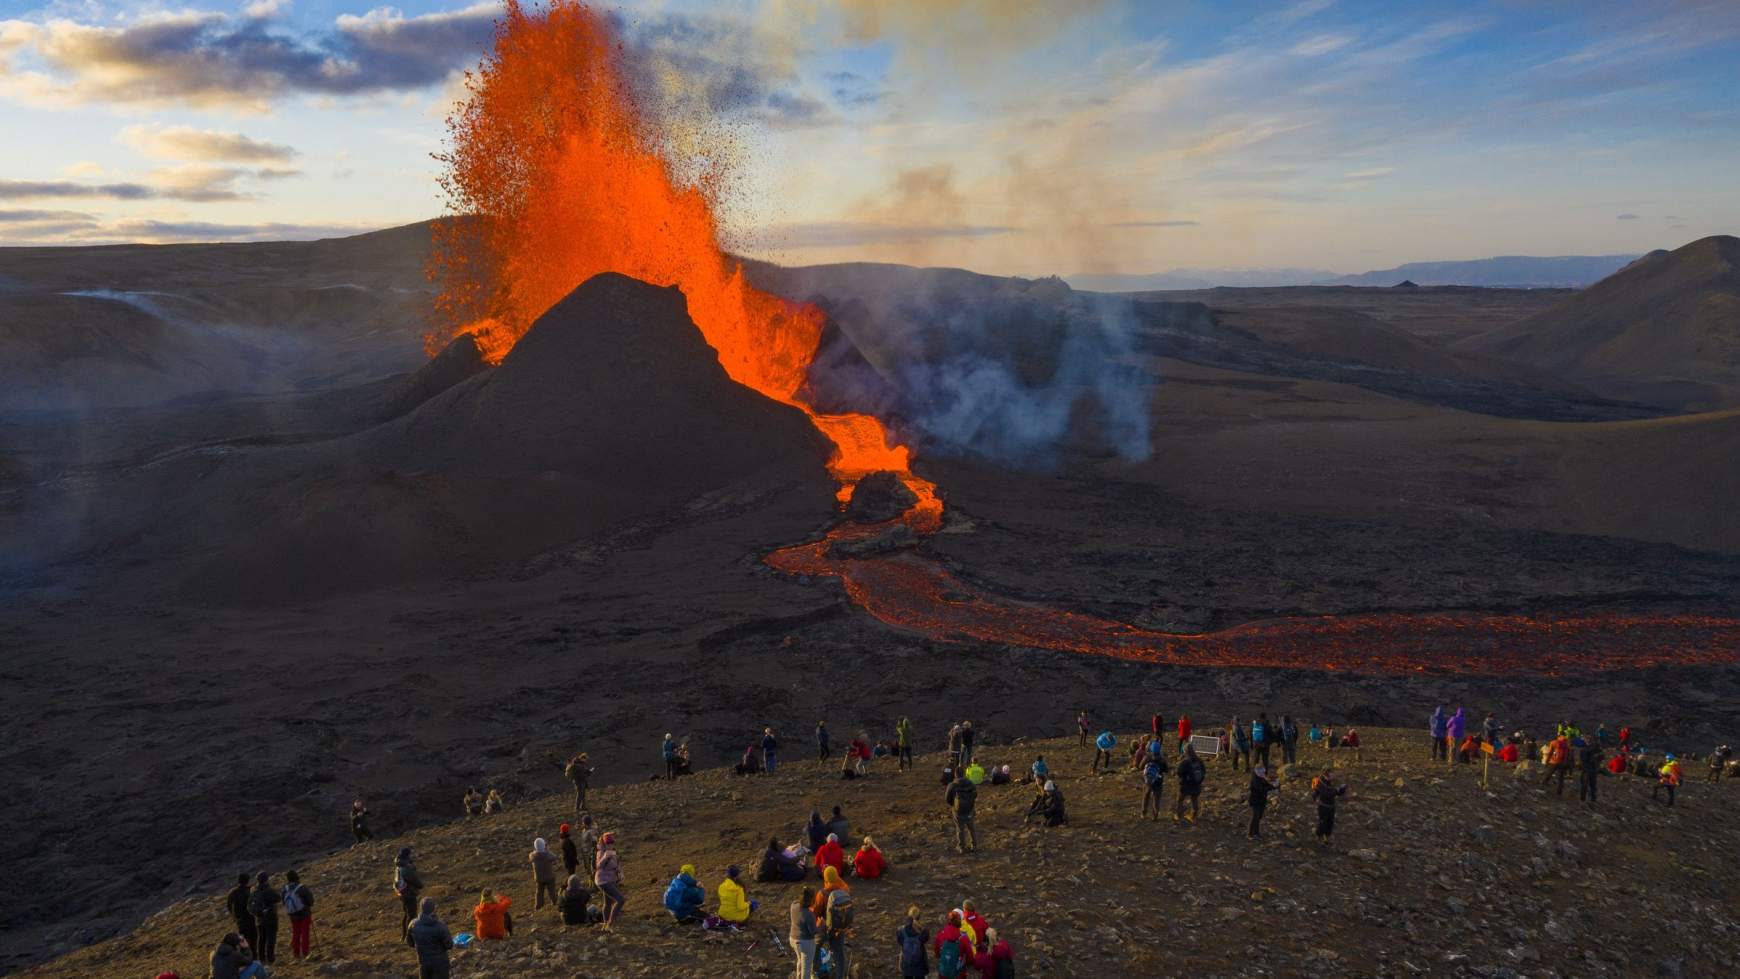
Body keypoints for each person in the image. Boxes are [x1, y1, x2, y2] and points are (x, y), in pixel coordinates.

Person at [404, 897, 453, 979]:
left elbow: (409, 942)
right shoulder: (440, 926)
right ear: (433, 909)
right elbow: (449, 945)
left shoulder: (413, 924)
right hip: (440, 963)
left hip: (423, 962)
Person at [595, 832, 625, 929]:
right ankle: (610, 923)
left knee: (607, 903)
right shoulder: (601, 852)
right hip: (603, 881)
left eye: (612, 842)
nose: (610, 844)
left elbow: (616, 865)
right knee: (621, 900)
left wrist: (620, 872)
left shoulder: (613, 852)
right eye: (608, 843)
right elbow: (598, 866)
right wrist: (605, 857)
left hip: (611, 880)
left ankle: (605, 923)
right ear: (604, 843)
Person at [281, 871, 314, 960]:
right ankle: (305, 952)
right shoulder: (302, 888)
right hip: (304, 914)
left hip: (293, 915)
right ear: (297, 877)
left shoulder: (285, 889)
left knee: (296, 934)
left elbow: (284, 902)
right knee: (305, 933)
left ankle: (296, 953)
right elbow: (310, 901)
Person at [946, 767, 979, 853]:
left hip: (958, 810)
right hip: (969, 809)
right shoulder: (970, 783)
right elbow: (975, 794)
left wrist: (953, 805)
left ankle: (961, 847)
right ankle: (974, 846)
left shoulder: (952, 785)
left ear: (955, 774)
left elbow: (947, 799)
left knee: (960, 828)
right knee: (971, 827)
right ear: (964, 774)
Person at [248, 872, 279, 965]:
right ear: (266, 879)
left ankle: (261, 958)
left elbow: (249, 906)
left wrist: (258, 913)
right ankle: (270, 958)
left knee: (261, 939)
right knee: (271, 938)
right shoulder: (268, 890)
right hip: (270, 918)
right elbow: (278, 898)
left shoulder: (253, 891)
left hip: (259, 919)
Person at [935, 910, 976, 979]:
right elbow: (970, 957)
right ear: (959, 921)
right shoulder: (963, 938)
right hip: (959, 974)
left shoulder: (940, 935)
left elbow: (937, 953)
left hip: (944, 973)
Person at [1311, 769, 1348, 845]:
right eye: (1331, 775)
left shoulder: (1330, 782)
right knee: (1323, 823)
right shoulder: (1321, 783)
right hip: (1323, 806)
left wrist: (1342, 790)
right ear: (1326, 775)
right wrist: (1337, 790)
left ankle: (1326, 838)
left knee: (1330, 823)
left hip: (1331, 806)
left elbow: (1335, 792)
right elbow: (1327, 794)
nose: (1333, 777)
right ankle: (1319, 837)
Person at [393, 847, 424, 935]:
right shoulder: (405, 868)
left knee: (407, 914)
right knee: (412, 915)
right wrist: (420, 885)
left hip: (402, 894)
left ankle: (404, 934)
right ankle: (409, 936)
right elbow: (415, 881)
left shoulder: (398, 866)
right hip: (409, 894)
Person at [790, 887, 819, 979]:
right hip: (805, 942)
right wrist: (820, 925)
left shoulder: (793, 905)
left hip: (793, 939)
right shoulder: (809, 914)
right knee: (806, 969)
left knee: (800, 961)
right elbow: (813, 932)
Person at [896, 905, 930, 979]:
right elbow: (926, 939)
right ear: (919, 917)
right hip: (920, 964)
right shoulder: (924, 931)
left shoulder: (900, 931)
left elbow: (899, 941)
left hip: (906, 963)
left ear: (909, 916)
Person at [1175, 743, 1206, 824]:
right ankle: (1193, 816)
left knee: (1180, 800)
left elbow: (1179, 772)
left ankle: (1178, 816)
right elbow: (1204, 771)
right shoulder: (1199, 760)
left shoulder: (1185, 761)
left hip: (1185, 785)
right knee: (1194, 800)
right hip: (1196, 784)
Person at [226, 874, 257, 951]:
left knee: (242, 938)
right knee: (253, 937)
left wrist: (233, 916)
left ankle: (244, 955)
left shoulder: (233, 892)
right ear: (247, 881)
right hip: (250, 917)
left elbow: (229, 905)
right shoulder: (250, 890)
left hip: (240, 919)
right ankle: (254, 955)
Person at [530, 838, 561, 912]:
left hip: (539, 878)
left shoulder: (532, 856)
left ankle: (538, 907)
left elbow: (531, 854)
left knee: (539, 893)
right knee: (552, 891)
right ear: (544, 845)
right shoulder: (547, 855)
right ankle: (555, 903)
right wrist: (547, 850)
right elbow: (554, 857)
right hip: (549, 877)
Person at [1248, 765, 1279, 838]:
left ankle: (1256, 833)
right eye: (1262, 772)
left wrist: (1273, 786)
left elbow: (1266, 785)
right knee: (1255, 817)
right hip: (1255, 801)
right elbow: (1260, 789)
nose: (1263, 774)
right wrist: (1271, 787)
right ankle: (1251, 833)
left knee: (1259, 817)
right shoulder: (1255, 780)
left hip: (1261, 801)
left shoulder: (1261, 778)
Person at [1142, 744, 1170, 820]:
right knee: (1156, 798)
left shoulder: (1147, 757)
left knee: (1146, 795)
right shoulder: (1162, 759)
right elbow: (1167, 770)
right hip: (1158, 781)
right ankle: (1155, 815)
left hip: (1148, 780)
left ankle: (1144, 813)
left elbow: (1140, 766)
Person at [1578, 739, 1609, 805]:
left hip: (1587, 769)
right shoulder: (1598, 751)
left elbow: (1583, 760)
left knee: (1584, 784)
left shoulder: (1584, 750)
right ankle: (1593, 798)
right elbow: (1602, 757)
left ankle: (1583, 799)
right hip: (1593, 769)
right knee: (1593, 785)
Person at [577, 815, 598, 879]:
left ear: (585, 822)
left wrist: (593, 854)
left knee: (593, 869)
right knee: (588, 869)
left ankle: (594, 884)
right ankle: (591, 882)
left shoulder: (591, 832)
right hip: (586, 853)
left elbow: (595, 843)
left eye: (583, 822)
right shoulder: (584, 830)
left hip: (591, 854)